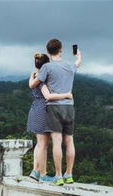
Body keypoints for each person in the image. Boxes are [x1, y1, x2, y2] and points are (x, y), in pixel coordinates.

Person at [29, 39, 82, 185]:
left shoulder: (47, 67)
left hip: (54, 107)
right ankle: (69, 174)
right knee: (70, 141)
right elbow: (77, 63)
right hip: (69, 106)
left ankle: (58, 176)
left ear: (48, 51)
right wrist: (78, 56)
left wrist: (32, 75)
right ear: (61, 49)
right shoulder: (70, 66)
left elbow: (34, 84)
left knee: (57, 143)